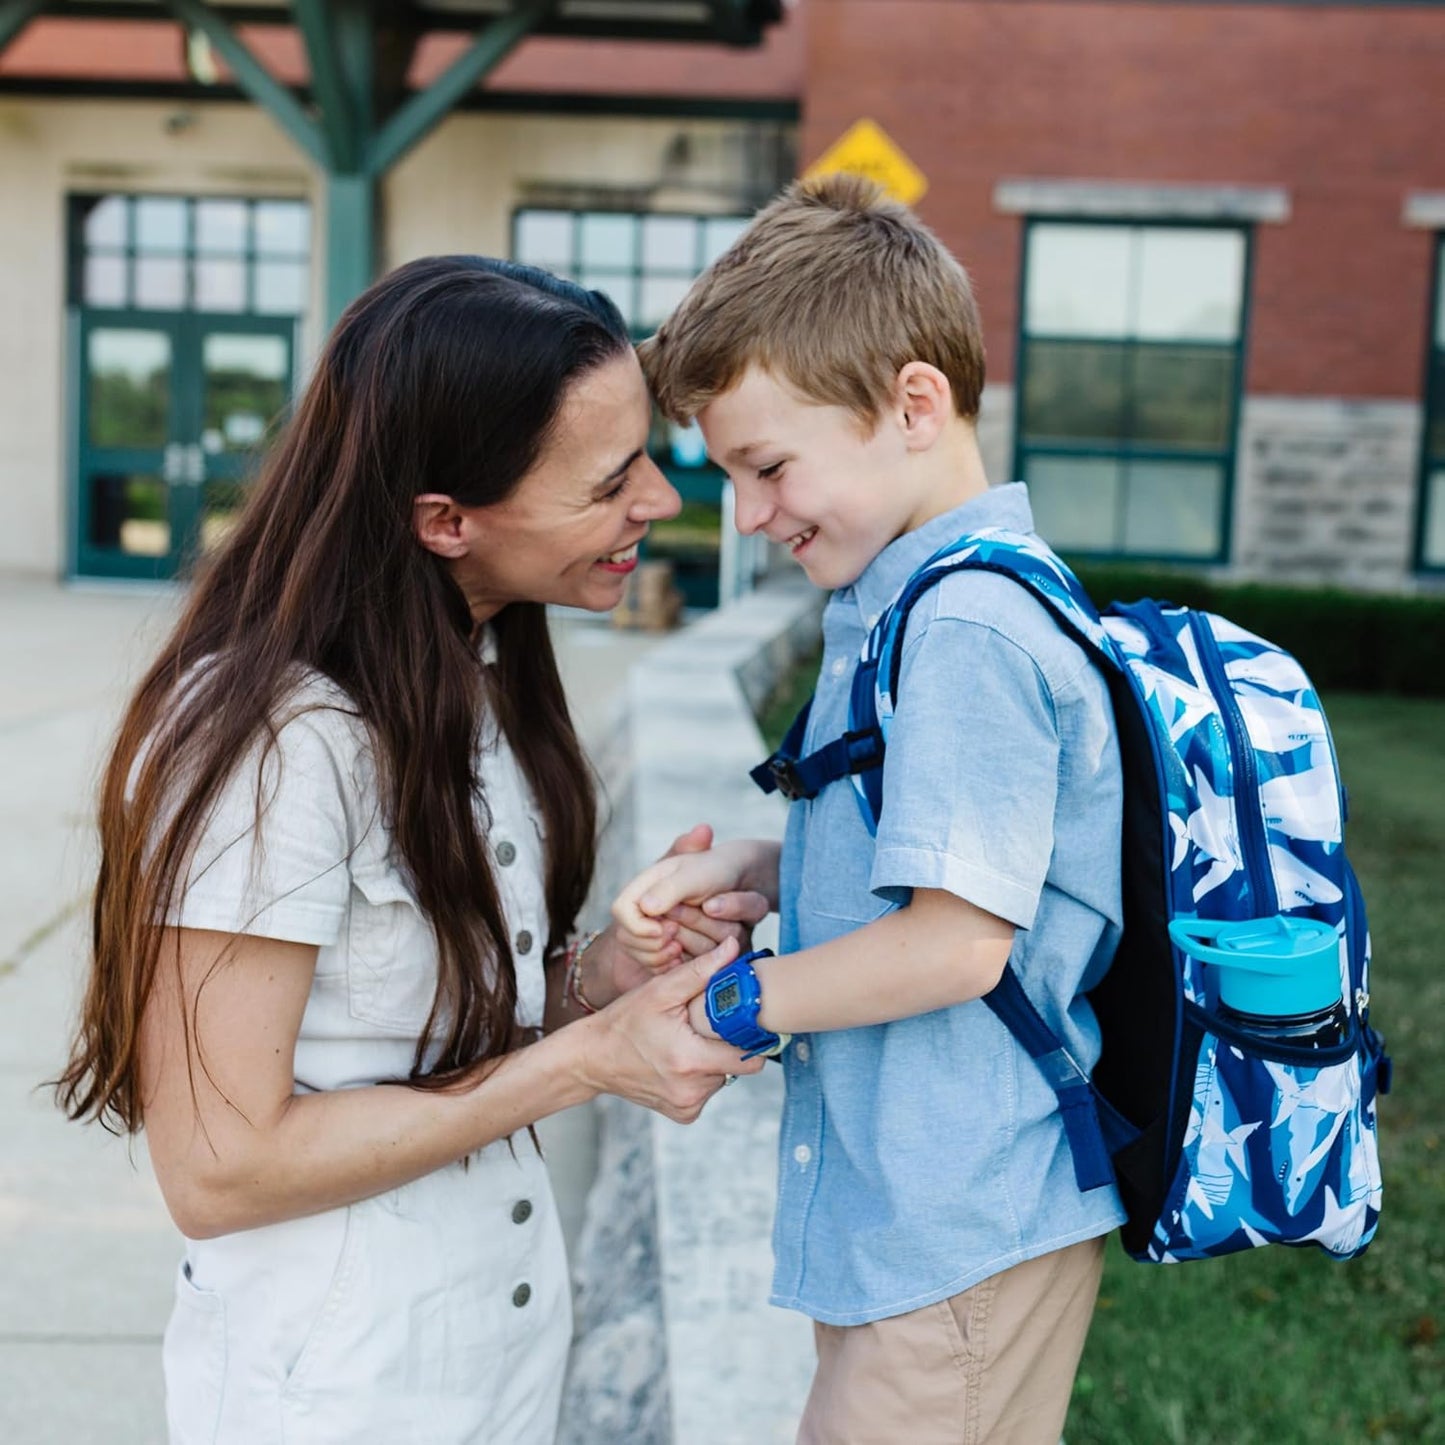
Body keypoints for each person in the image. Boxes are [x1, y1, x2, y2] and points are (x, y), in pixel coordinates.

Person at [55, 255, 766, 1445]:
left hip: (489, 1368)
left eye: (647, 453)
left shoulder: (475, 682)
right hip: (335, 1398)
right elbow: (220, 1164)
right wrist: (586, 1061)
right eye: (607, 480)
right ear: (445, 521)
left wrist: (599, 983)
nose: (656, 498)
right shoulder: (275, 746)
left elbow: (408, 1031)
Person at [613, 176, 1127, 1445]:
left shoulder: (962, 626)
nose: (745, 512)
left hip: (959, 1228)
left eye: (767, 464)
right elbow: (952, 860)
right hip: (919, 1221)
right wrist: (766, 863)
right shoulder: (913, 602)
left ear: (911, 404)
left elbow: (957, 940)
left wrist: (736, 1001)